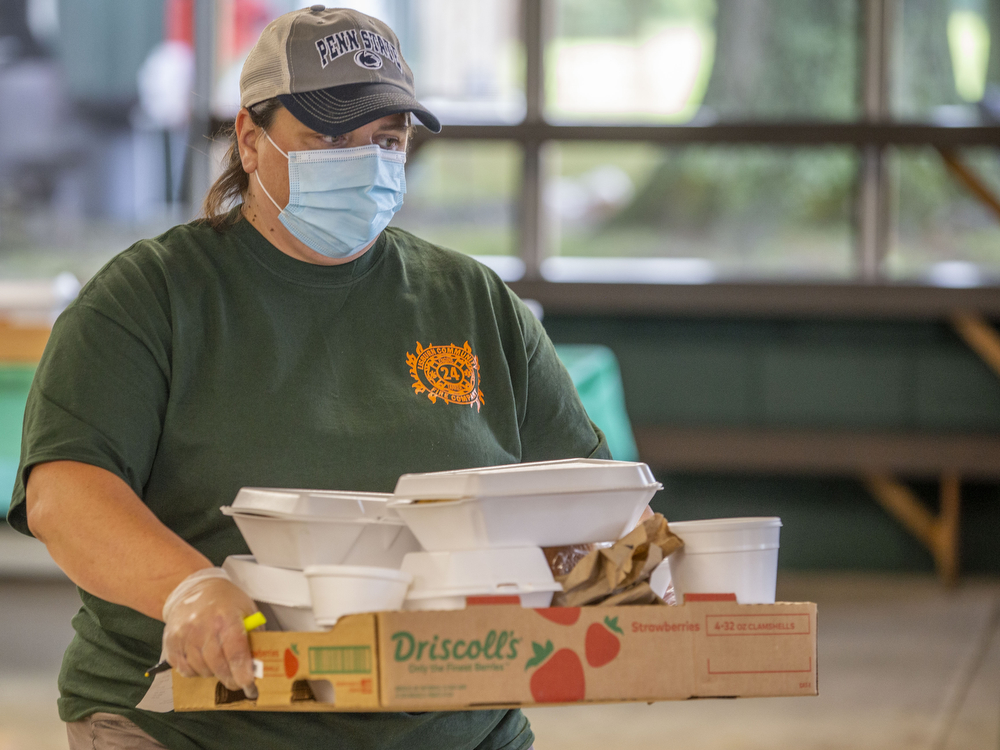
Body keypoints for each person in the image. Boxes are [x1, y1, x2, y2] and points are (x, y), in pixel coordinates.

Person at [7, 7, 616, 750]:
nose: (363, 160)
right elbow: (65, 492)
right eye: (328, 136)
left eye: (386, 140)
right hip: (200, 720)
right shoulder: (150, 299)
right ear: (249, 139)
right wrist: (190, 591)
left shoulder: (473, 301)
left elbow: (588, 494)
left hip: (448, 723)